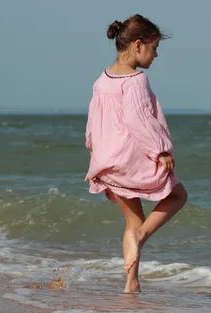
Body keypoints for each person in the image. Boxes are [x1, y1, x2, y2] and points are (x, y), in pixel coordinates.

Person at [84, 14, 187, 293]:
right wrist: (161, 150)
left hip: (107, 162)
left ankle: (132, 283)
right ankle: (141, 237)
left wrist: (94, 156)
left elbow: (93, 121)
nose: (155, 56)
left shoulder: (102, 80)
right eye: (154, 48)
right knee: (178, 196)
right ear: (139, 45)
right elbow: (138, 119)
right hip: (130, 158)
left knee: (133, 220)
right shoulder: (136, 80)